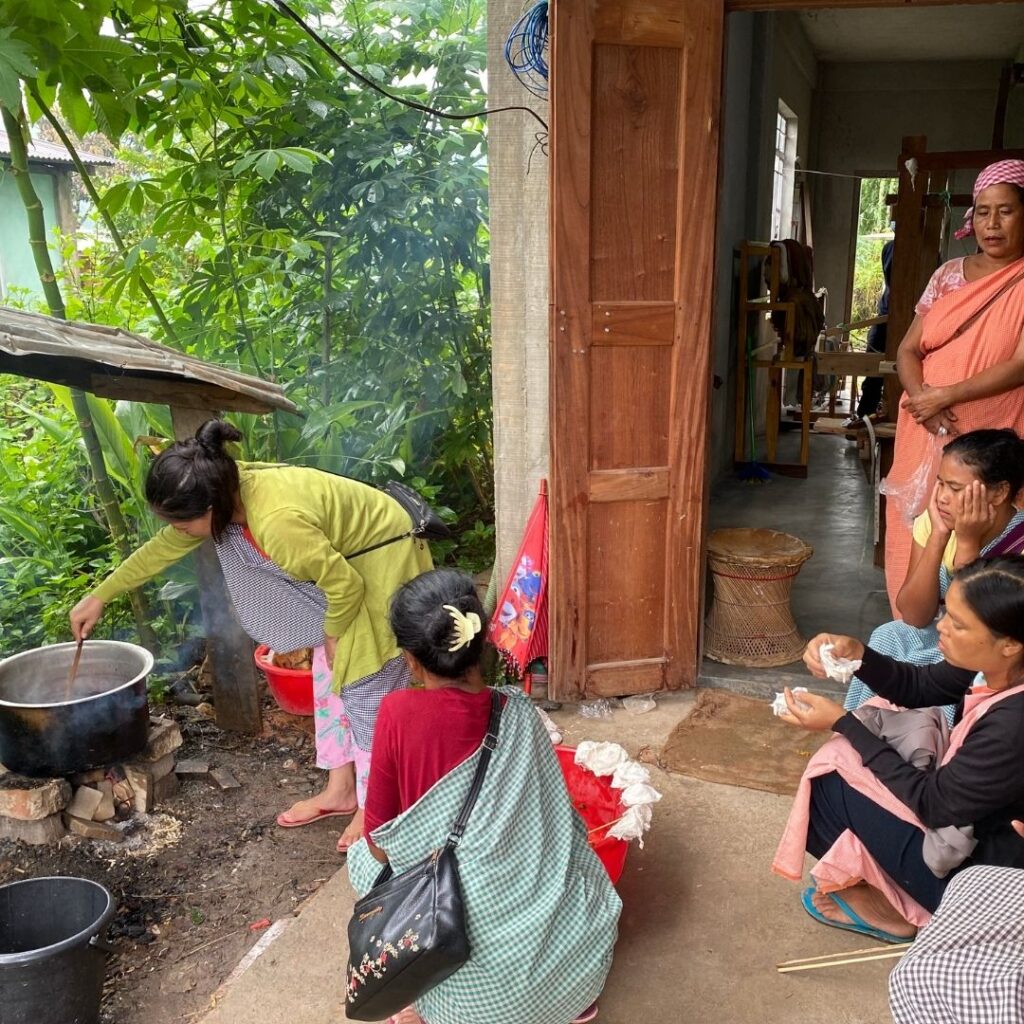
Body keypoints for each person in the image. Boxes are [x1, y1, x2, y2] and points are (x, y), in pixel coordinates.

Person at [69, 420, 432, 851]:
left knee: (364, 688)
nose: (179, 534)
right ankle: (341, 790)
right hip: (345, 570)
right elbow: (163, 547)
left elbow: (346, 586)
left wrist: (334, 632)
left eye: (184, 526)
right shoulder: (226, 488)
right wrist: (101, 594)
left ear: (210, 509)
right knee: (328, 679)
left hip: (380, 568)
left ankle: (374, 812)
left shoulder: (276, 521)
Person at [346, 569, 621, 1024]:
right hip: (577, 979)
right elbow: (560, 820)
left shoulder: (398, 714)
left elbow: (379, 844)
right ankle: (565, 1000)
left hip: (478, 1008)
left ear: (412, 659)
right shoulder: (521, 713)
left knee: (362, 861)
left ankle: (422, 1005)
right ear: (481, 642)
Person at [773, 555, 1024, 943]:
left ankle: (900, 906)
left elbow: (933, 804)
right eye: (947, 612)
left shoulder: (1013, 725)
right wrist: (858, 655)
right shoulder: (1002, 664)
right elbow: (922, 686)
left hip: (991, 891)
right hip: (978, 830)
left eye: (957, 624)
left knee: (828, 783)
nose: (940, 626)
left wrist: (844, 723)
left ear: (1009, 644)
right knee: (876, 730)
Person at [884, 160, 1024, 608]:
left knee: (984, 517)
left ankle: (974, 634)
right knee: (916, 523)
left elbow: (1021, 364)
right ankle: (909, 626)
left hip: (994, 426)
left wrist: (947, 395)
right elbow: (908, 349)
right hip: (924, 426)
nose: (992, 223)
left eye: (1005, 211)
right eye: (982, 212)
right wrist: (925, 400)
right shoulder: (947, 275)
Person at [845, 429, 1024, 715]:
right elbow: (914, 616)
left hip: (988, 652)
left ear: (1000, 492)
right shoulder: (936, 521)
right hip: (942, 632)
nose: (941, 497)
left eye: (955, 489)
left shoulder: (1020, 541)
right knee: (888, 635)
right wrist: (938, 536)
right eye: (939, 484)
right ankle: (861, 728)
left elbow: (978, 622)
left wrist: (967, 543)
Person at [845, 238, 893, 427]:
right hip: (887, 315)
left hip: (909, 316)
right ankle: (865, 418)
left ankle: (870, 416)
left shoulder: (927, 249)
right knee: (873, 373)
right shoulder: (891, 247)